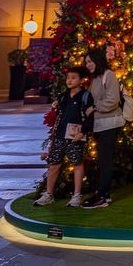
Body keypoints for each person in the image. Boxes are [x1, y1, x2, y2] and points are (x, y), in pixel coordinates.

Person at [33, 66, 95, 208]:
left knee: (77, 164)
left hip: (75, 136)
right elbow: (56, 117)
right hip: (59, 135)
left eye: (73, 78)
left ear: (81, 80)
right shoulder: (62, 97)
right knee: (54, 165)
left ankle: (77, 195)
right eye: (68, 78)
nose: (69, 80)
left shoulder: (85, 96)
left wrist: (82, 132)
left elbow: (90, 117)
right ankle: (48, 194)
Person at [82, 47, 125, 209]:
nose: (87, 65)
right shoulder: (96, 78)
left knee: (105, 160)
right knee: (101, 160)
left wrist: (94, 107)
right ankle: (101, 194)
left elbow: (112, 100)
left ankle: (103, 196)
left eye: (90, 61)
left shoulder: (109, 75)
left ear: (97, 60)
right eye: (86, 62)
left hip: (110, 123)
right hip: (100, 124)